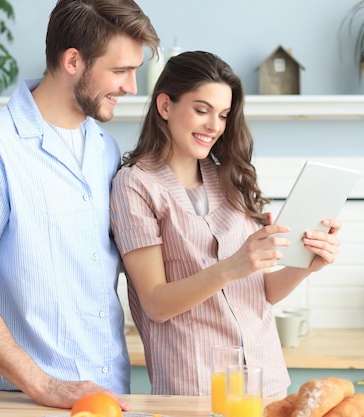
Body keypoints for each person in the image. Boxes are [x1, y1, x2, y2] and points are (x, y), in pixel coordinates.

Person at [0, 0, 159, 410]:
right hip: (25, 402)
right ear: (73, 60)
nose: (131, 87)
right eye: (121, 70)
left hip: (110, 394)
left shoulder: (105, 150)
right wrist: (44, 386)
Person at [110, 51, 342, 398]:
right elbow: (155, 304)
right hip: (195, 388)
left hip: (266, 384)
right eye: (201, 110)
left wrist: (307, 265)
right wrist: (232, 266)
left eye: (222, 115)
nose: (214, 126)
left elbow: (261, 293)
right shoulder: (135, 184)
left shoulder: (232, 179)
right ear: (165, 106)